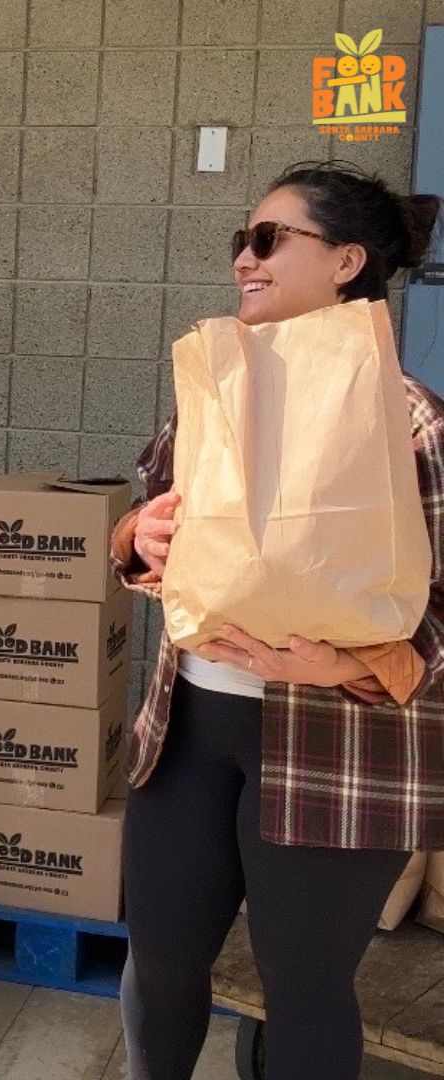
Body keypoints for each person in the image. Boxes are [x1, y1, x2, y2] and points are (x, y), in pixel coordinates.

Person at [111, 160, 444, 1080]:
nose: (244, 263)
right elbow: (148, 528)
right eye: (239, 244)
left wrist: (341, 667)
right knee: (162, 968)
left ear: (346, 262)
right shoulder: (220, 393)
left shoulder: (413, 424)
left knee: (304, 992)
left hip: (338, 745)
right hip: (189, 731)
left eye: (268, 241)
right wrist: (142, 533)